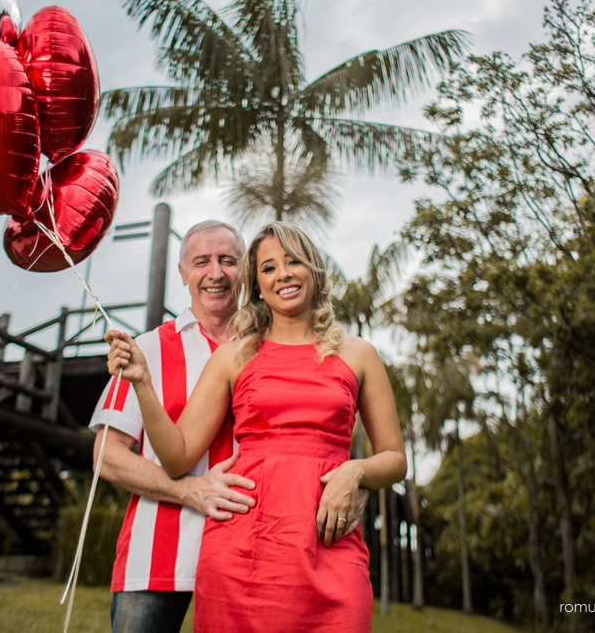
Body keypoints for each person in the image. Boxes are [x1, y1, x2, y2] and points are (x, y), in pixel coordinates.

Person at [107, 222, 407, 632]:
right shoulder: (234, 356)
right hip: (240, 557)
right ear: (257, 285)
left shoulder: (358, 354)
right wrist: (142, 382)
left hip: (332, 549)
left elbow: (395, 459)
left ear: (313, 271)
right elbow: (176, 457)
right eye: (268, 268)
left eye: (293, 261)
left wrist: (356, 471)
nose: (282, 274)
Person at [89, 220, 255, 633]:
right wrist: (188, 490)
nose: (215, 273)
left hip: (250, 555)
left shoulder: (267, 351)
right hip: (155, 559)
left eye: (228, 261)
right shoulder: (147, 348)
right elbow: (106, 457)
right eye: (201, 262)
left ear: (245, 269)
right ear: (183, 273)